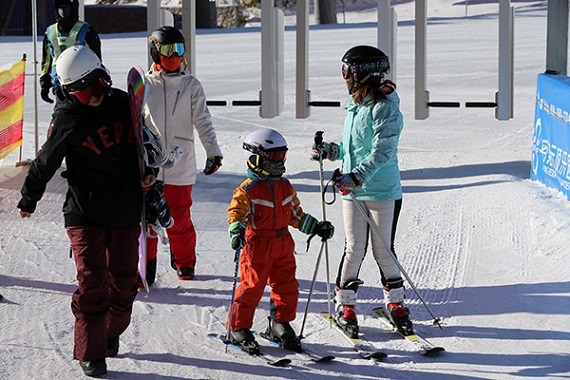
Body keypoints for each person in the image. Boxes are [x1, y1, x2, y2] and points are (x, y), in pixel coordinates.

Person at [17, 46, 155, 378]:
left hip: (124, 208)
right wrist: (29, 197)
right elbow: (45, 161)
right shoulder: (67, 117)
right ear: (68, 92)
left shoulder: (124, 104)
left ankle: (108, 334)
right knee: (93, 282)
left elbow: (147, 145)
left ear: (104, 79)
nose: (92, 97)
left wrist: (150, 172)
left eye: (96, 87)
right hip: (85, 211)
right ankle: (90, 351)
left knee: (124, 284)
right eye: (81, 94)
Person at [311, 45, 410, 338]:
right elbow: (354, 148)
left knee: (383, 250)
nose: (344, 78)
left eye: (347, 72)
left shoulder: (385, 107)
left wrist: (356, 177)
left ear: (362, 73)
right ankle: (346, 307)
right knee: (354, 249)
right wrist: (332, 151)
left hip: (381, 190)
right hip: (352, 190)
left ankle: (396, 305)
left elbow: (382, 151)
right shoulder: (355, 105)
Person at [226, 128, 335, 354]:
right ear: (257, 158)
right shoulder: (248, 189)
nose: (279, 163)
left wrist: (315, 226)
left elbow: (295, 215)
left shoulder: (284, 185)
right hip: (257, 245)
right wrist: (236, 230)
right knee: (251, 287)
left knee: (287, 287)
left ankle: (279, 324)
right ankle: (238, 327)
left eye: (282, 157)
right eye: (274, 158)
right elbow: (236, 213)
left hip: (283, 244)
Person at [143, 26, 223, 284]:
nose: (175, 56)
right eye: (168, 50)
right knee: (148, 218)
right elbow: (134, 124)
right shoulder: (144, 85)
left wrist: (213, 151)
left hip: (180, 163)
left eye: (179, 50)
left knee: (179, 218)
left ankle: (185, 262)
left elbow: (203, 120)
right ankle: (147, 264)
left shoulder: (191, 85)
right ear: (155, 51)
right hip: (149, 165)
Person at [40, 0, 101, 104]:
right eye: (60, 8)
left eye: (67, 8)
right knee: (62, 115)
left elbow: (96, 59)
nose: (63, 12)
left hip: (83, 83)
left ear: (73, 9)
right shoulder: (50, 32)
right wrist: (44, 84)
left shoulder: (86, 30)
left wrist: (98, 81)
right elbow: (47, 61)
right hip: (59, 83)